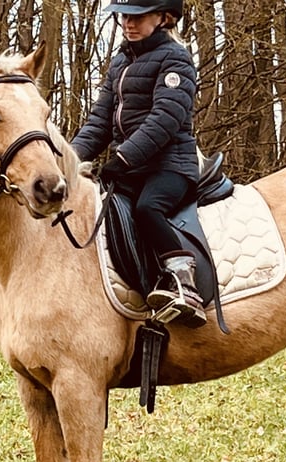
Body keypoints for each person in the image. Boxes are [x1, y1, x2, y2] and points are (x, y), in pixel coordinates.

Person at [71, 0, 206, 328]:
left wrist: (123, 157)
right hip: (132, 167)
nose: (127, 23)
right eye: (123, 16)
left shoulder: (176, 59)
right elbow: (100, 121)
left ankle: (184, 284)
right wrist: (67, 160)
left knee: (147, 209)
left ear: (164, 17)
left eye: (137, 16)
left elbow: (166, 118)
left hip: (171, 165)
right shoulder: (120, 62)